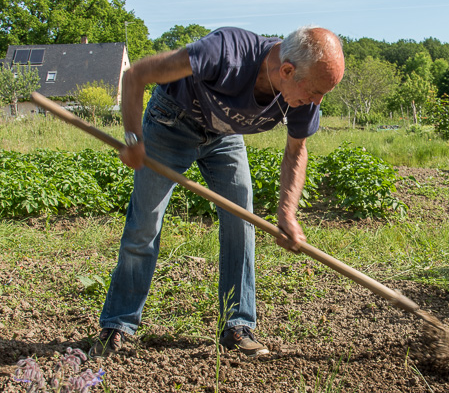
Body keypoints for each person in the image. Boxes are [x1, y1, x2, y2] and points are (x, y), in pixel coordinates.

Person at [94, 26, 345, 357]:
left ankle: (237, 326)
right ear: (286, 70)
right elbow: (136, 75)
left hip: (224, 137)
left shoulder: (304, 89)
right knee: (145, 226)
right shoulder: (225, 53)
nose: (316, 102)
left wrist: (287, 212)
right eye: (314, 92)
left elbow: (296, 150)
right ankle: (117, 325)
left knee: (242, 223)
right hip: (171, 123)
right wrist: (132, 138)